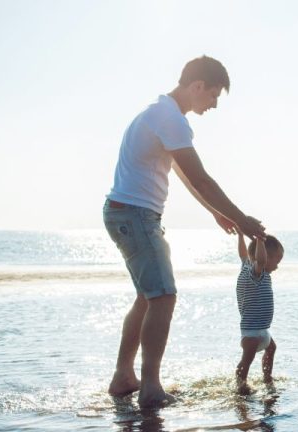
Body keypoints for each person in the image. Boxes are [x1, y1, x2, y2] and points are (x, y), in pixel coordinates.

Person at [103, 55, 266, 408]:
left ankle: (124, 376)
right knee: (163, 296)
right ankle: (150, 388)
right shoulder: (171, 119)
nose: (214, 105)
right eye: (213, 96)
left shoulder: (158, 113)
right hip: (135, 215)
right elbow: (202, 178)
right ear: (197, 86)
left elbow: (182, 172)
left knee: (149, 297)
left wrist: (215, 212)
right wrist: (241, 220)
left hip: (124, 213)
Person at [235, 232, 283, 395]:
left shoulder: (246, 265)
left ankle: (267, 377)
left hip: (263, 329)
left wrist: (240, 235)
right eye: (276, 260)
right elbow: (261, 260)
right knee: (247, 360)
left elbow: (242, 253)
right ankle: (241, 384)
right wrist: (260, 240)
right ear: (263, 257)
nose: (277, 266)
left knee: (271, 349)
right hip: (251, 332)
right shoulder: (256, 273)